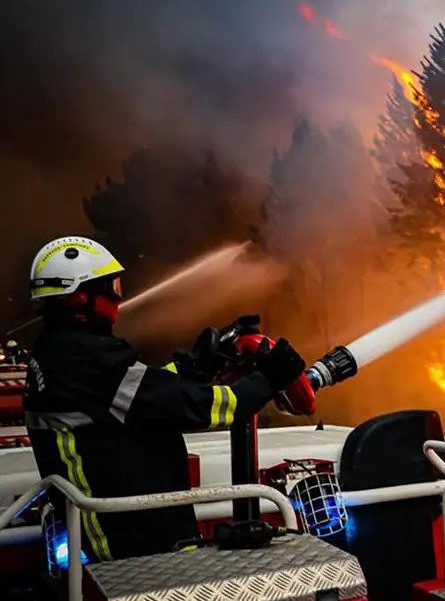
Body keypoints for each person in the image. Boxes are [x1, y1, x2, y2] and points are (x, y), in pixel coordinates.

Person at [23, 236, 305, 560]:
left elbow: (144, 393)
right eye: (110, 286)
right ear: (82, 297)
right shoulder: (86, 358)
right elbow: (192, 407)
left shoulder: (63, 351)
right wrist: (266, 380)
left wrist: (196, 366)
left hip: (137, 524)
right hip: (131, 540)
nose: (117, 295)